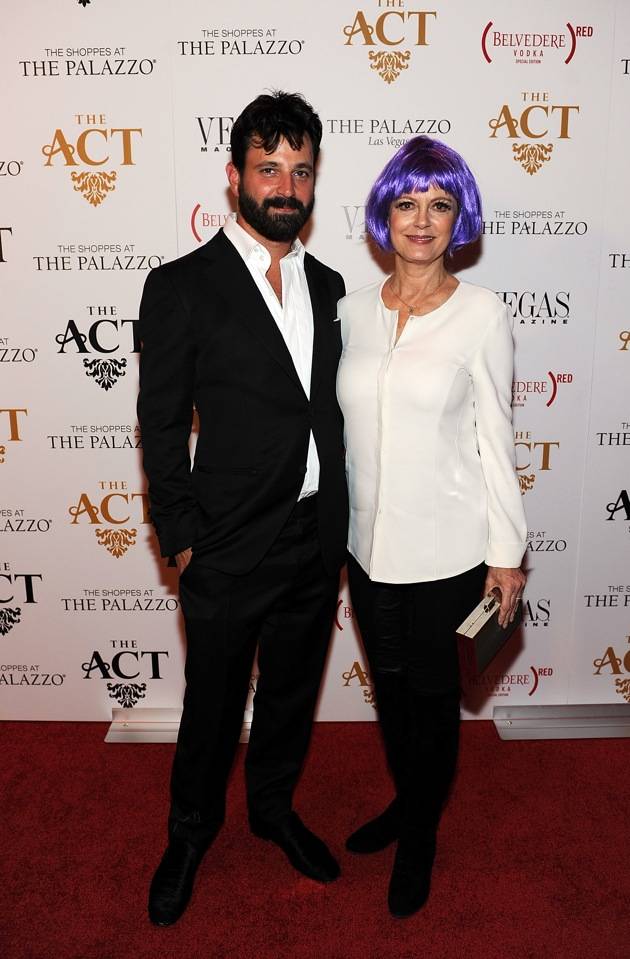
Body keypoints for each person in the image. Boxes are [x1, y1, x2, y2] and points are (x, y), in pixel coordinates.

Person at [137, 91, 348, 926]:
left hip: (313, 536)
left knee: (292, 692)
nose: (285, 187)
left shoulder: (330, 286)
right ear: (234, 177)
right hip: (225, 543)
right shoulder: (181, 286)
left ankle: (272, 809)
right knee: (213, 706)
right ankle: (190, 832)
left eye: (301, 170)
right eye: (269, 168)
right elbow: (160, 426)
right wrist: (182, 537)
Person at [336, 136, 527, 918]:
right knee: (390, 693)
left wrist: (507, 555)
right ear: (384, 215)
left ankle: (419, 833)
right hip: (364, 549)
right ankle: (407, 801)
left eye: (439, 204)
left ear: (460, 218)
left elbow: (496, 438)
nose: (421, 220)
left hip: (447, 551)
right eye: (407, 203)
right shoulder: (349, 310)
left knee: (433, 699)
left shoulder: (482, 314)